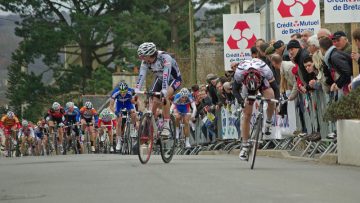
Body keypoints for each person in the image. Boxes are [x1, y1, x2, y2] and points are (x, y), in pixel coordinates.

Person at [233, 58, 278, 160]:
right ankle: (244, 145)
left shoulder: (265, 70)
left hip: (263, 82)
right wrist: (240, 101)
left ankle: (268, 121)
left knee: (271, 97)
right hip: (247, 87)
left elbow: (275, 87)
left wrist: (278, 99)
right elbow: (235, 90)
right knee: (247, 114)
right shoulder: (239, 73)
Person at [135, 42, 182, 137]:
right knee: (154, 100)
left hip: (173, 79)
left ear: (149, 54)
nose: (141, 58)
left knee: (165, 97)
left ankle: (166, 126)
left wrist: (164, 90)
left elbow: (166, 74)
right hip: (160, 79)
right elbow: (141, 75)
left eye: (143, 56)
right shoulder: (145, 61)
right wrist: (136, 89)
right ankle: (149, 124)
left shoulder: (165, 58)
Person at [110, 82, 137, 151]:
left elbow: (134, 102)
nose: (123, 94)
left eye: (124, 92)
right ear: (119, 90)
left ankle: (132, 129)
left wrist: (135, 101)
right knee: (119, 121)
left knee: (133, 115)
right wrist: (116, 112)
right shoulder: (115, 92)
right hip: (119, 104)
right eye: (121, 92)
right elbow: (111, 106)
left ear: (127, 90)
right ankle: (118, 141)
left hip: (128, 103)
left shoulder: (130, 91)